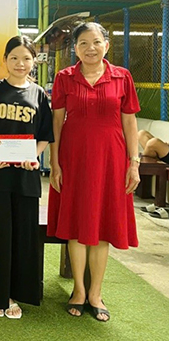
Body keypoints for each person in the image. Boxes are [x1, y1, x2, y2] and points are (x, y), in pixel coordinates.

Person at [48, 22, 140, 322]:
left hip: (111, 160)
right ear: (74, 48)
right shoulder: (64, 78)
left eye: (96, 42)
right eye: (83, 43)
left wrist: (134, 162)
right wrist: (56, 163)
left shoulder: (122, 77)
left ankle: (95, 293)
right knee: (76, 223)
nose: (90, 48)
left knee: (101, 225)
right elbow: (57, 123)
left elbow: (129, 123)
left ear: (106, 45)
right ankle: (77, 289)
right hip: (73, 158)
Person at [0, 36, 53, 319]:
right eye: (15, 58)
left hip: (26, 177)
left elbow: (44, 135)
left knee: (24, 235)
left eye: (27, 58)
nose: (21, 64)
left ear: (34, 62)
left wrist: (35, 156)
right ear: (5, 60)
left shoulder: (39, 94)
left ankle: (18, 292)